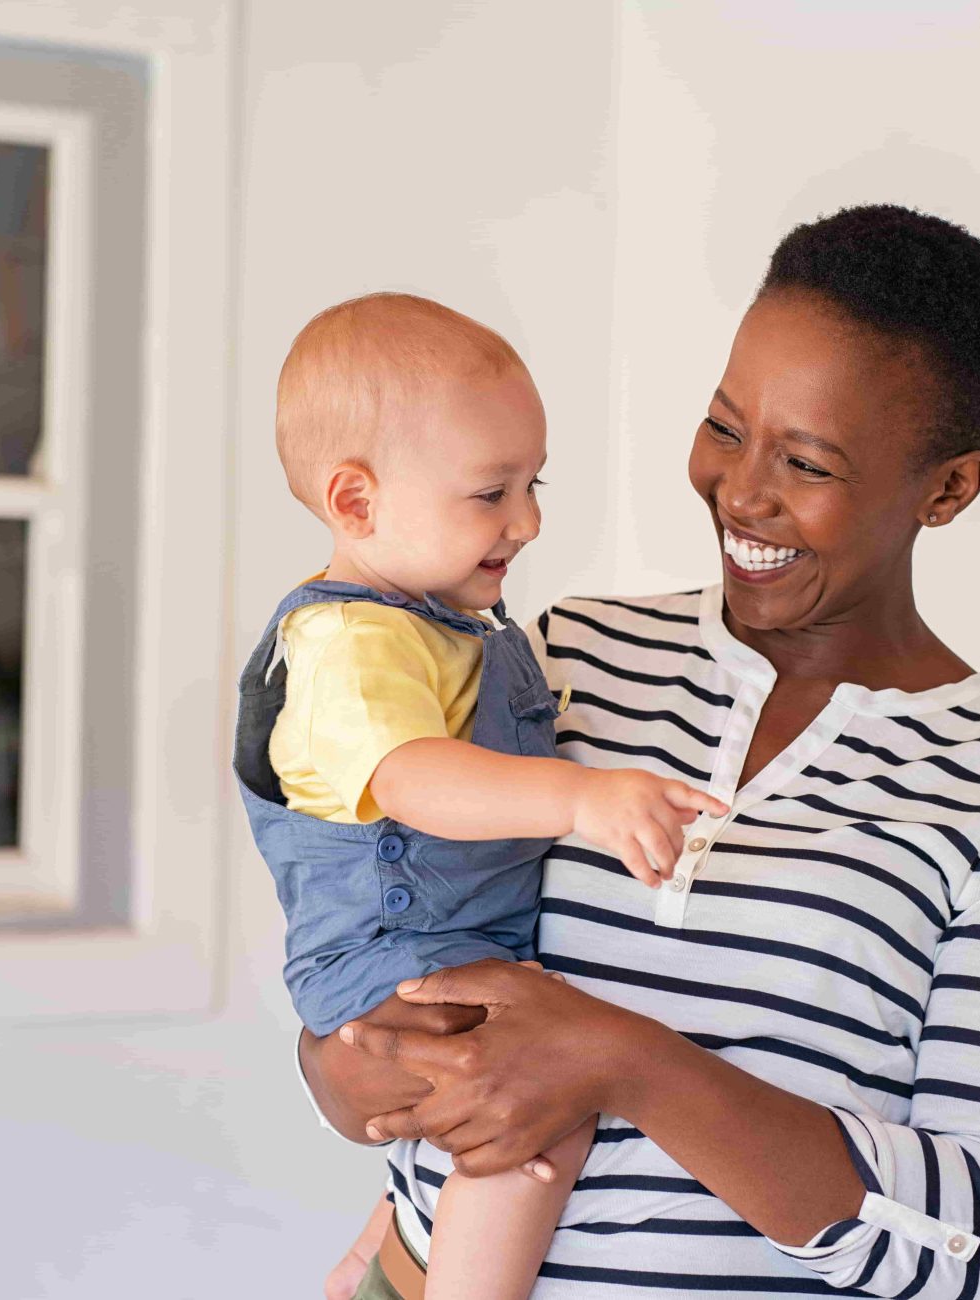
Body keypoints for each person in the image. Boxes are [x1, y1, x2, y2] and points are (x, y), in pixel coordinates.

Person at [302, 204, 980, 1300]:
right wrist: (340, 1066)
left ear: (947, 488)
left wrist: (624, 1058)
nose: (741, 491)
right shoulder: (558, 657)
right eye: (726, 428)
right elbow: (380, 929)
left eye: (809, 462)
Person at [232, 294, 726, 1300]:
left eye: (533, 483)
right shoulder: (348, 644)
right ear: (357, 503)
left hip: (450, 945)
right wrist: (581, 800)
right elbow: (416, 780)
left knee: (487, 1092)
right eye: (490, 492)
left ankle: (381, 1242)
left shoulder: (450, 624)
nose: (529, 521)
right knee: (534, 1116)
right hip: (392, 955)